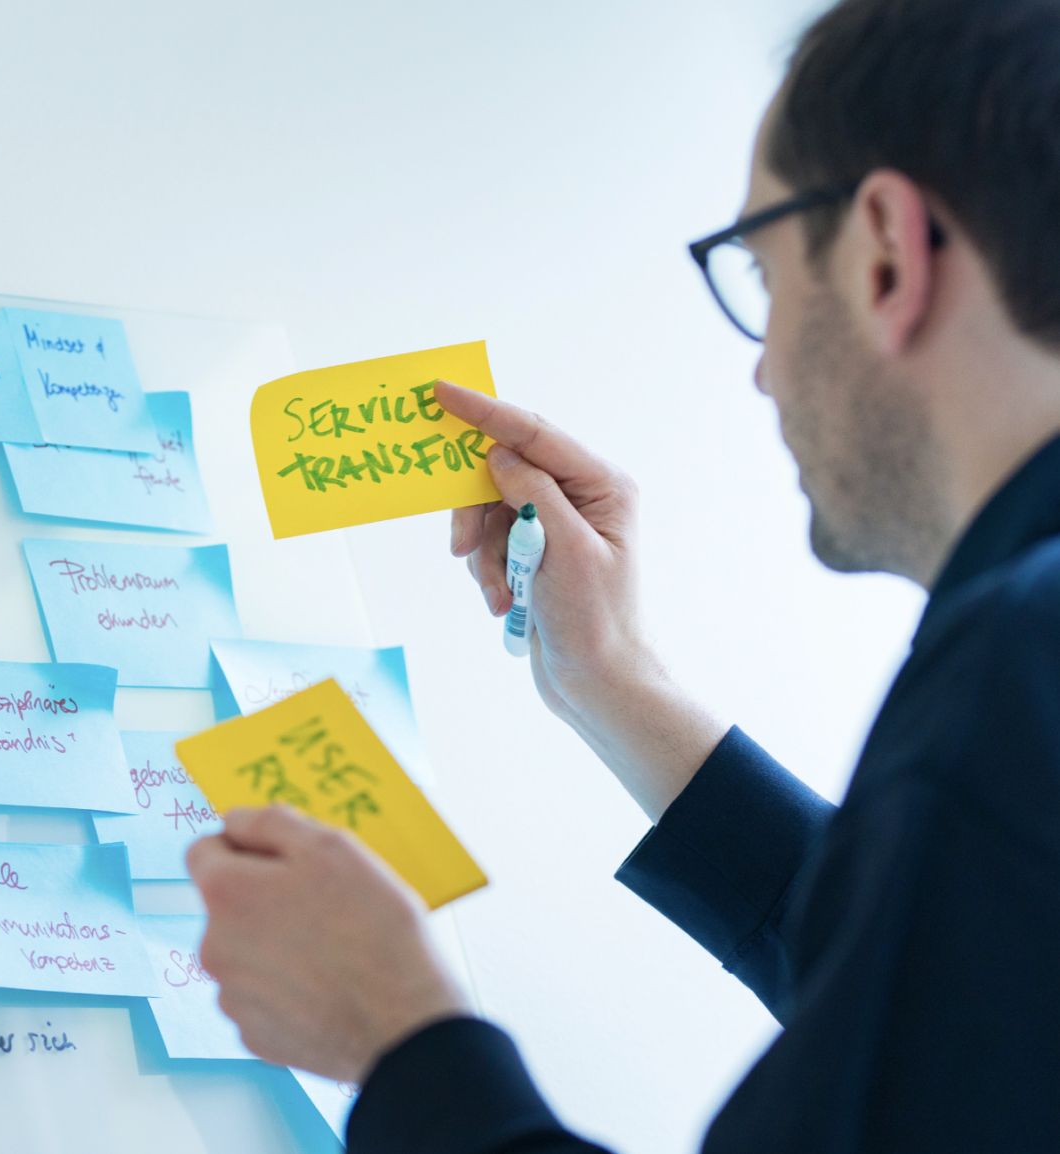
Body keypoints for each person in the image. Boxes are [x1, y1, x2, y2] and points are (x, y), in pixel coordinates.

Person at [186, 0, 1060, 1148]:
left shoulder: (1013, 677)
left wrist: (403, 1041)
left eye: (758, 271)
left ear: (886, 253)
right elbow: (943, 1031)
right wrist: (611, 676)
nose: (761, 372)